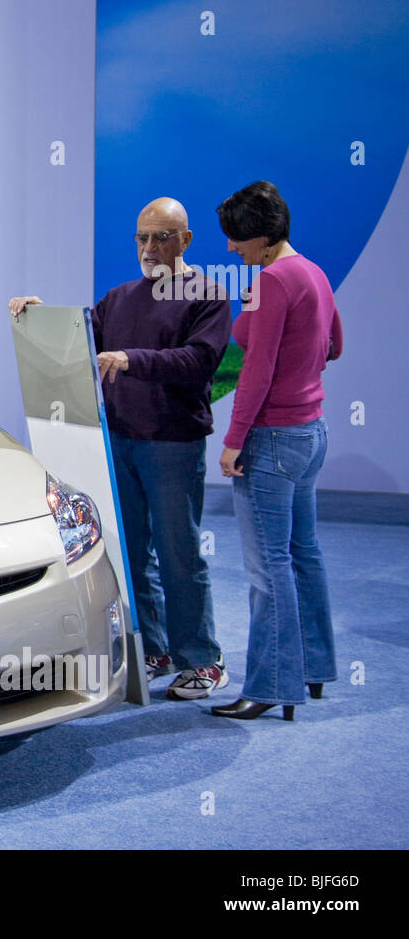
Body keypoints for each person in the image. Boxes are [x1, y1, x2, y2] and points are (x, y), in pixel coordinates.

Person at [10, 197, 233, 700]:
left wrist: (133, 360)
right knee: (130, 553)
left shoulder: (208, 296)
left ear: (187, 240)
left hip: (172, 444)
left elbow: (199, 361)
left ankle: (201, 658)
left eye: (163, 237)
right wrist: (39, 316)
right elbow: (80, 339)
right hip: (117, 441)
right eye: (142, 238)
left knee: (179, 555)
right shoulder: (120, 296)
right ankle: (152, 650)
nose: (150, 247)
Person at [212, 181, 343, 722]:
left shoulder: (270, 283)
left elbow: (256, 372)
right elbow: (334, 346)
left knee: (269, 569)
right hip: (311, 435)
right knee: (303, 557)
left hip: (270, 440)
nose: (230, 250)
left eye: (236, 240)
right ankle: (311, 672)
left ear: (261, 238)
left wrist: (234, 440)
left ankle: (268, 686)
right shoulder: (312, 272)